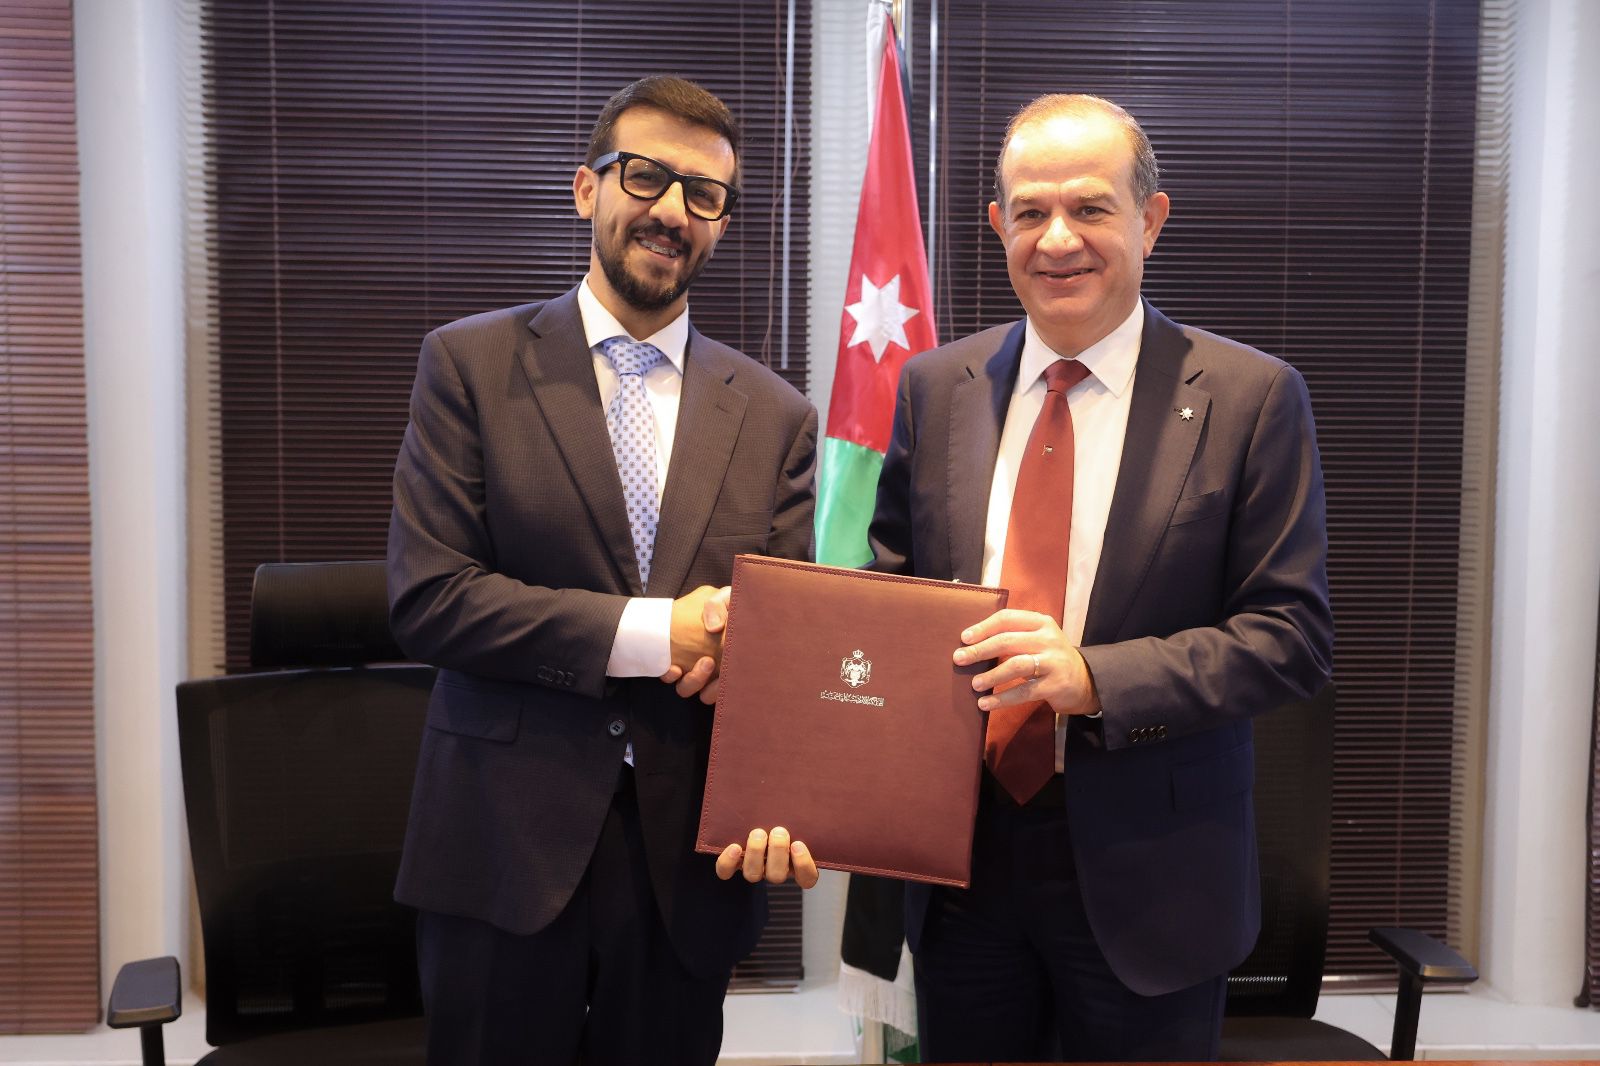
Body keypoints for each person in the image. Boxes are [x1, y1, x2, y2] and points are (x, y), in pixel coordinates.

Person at [866, 94, 1334, 1060]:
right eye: (1030, 212)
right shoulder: (935, 388)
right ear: (997, 225)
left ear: (1150, 220)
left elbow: (1289, 637)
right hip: (961, 871)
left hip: (1154, 877)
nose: (1057, 239)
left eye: (1090, 208)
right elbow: (892, 600)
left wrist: (1093, 678)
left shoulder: (1251, 398)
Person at [386, 76, 817, 1066]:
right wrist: (661, 633)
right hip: (501, 846)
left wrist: (765, 696)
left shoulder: (777, 416)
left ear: (721, 222)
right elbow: (430, 598)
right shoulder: (469, 365)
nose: (672, 211)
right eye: (646, 177)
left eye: (703, 194)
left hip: (686, 864)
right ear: (588, 187)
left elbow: (779, 642)